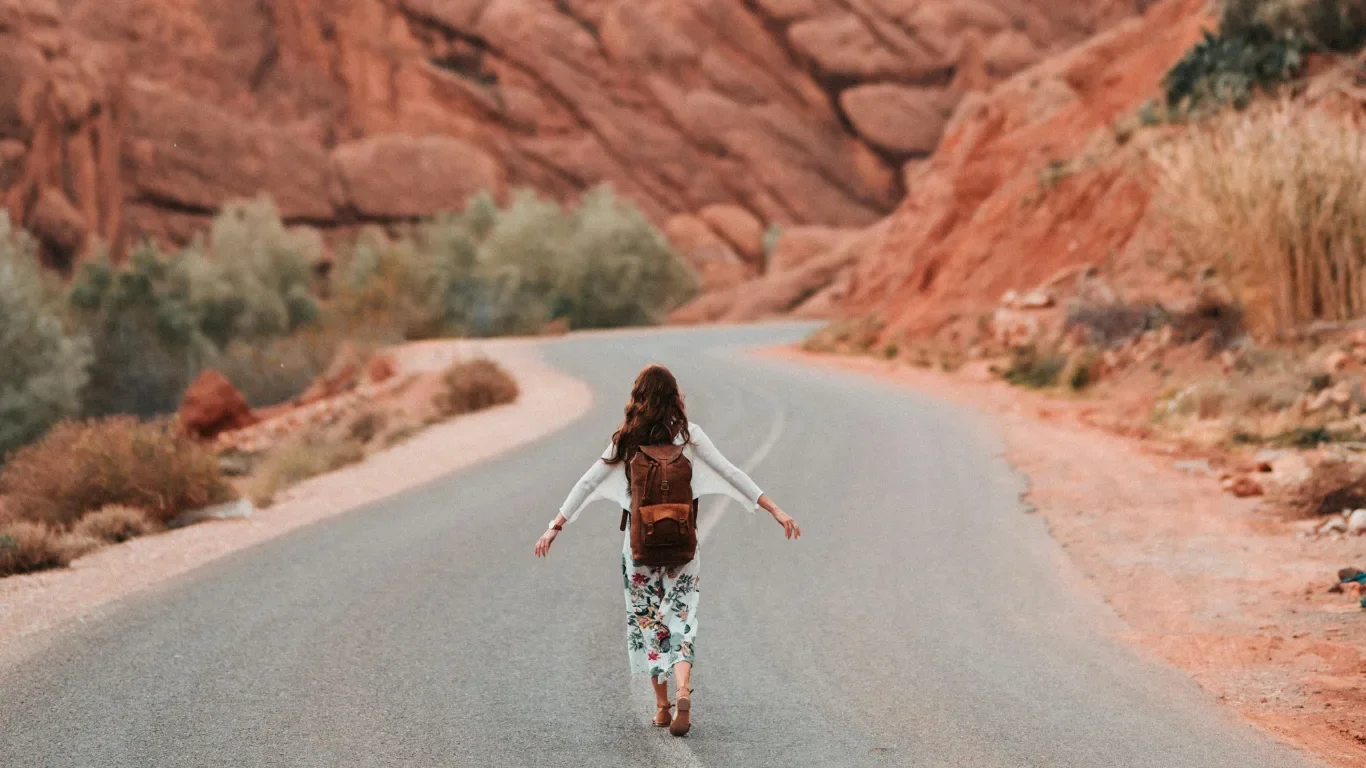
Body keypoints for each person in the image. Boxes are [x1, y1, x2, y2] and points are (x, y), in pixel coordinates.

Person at [534, 364, 800, 737]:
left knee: (648, 621)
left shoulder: (625, 441)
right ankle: (683, 690)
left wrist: (554, 526)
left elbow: (587, 482)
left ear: (638, 399)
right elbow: (730, 472)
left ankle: (662, 707)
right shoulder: (690, 437)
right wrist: (775, 509)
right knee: (682, 616)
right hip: (683, 546)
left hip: (639, 549)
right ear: (675, 398)